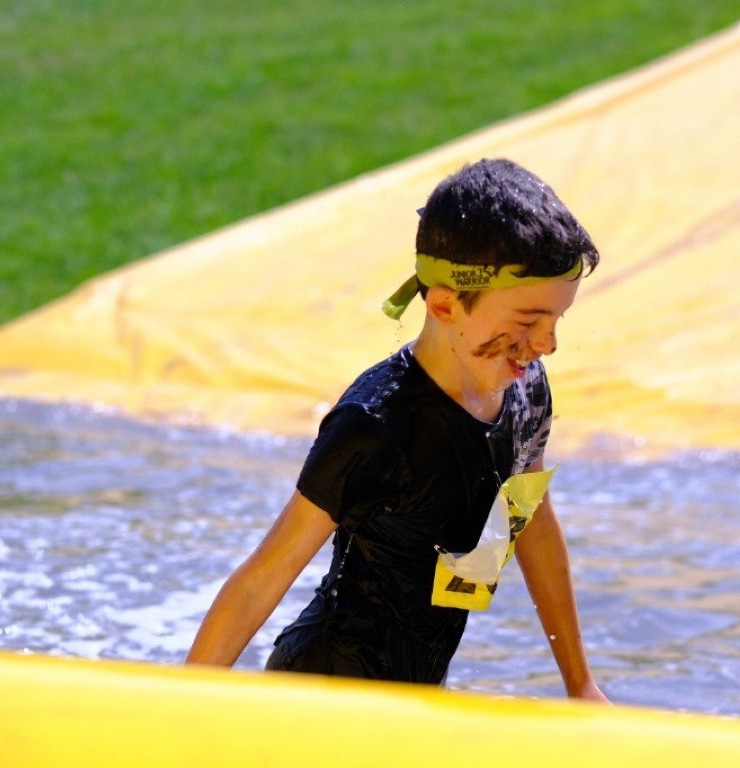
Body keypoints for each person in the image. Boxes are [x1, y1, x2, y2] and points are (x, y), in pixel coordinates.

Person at [187, 158, 608, 702]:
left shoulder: (525, 392)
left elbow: (532, 525)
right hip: (327, 689)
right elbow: (260, 579)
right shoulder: (375, 426)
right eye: (528, 322)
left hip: (417, 695)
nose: (548, 344)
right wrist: (180, 711)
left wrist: (580, 684)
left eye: (557, 320)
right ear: (445, 304)